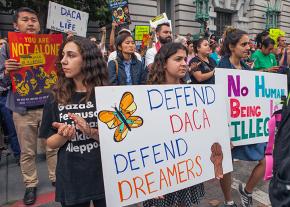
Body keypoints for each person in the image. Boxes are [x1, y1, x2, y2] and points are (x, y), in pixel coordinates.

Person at [39, 36, 107, 207]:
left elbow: (116, 139)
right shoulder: (55, 96)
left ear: (87, 60)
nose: (63, 61)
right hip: (71, 180)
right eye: (63, 55)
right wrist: (63, 135)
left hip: (105, 177)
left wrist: (90, 131)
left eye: (71, 55)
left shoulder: (105, 93)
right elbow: (49, 143)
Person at [4, 7, 57, 205]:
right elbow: (1, 85)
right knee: (27, 151)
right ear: (16, 25)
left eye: (34, 19)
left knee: (51, 146)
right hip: (22, 109)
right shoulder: (7, 49)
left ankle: (55, 178)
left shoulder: (49, 46)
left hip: (48, 106)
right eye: (25, 20)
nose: (31, 23)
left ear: (39, 24)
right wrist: (6, 72)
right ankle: (31, 184)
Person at [143, 42, 205, 207]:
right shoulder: (148, 95)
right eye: (178, 59)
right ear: (163, 63)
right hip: (161, 169)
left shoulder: (191, 92)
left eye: (185, 59)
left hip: (186, 167)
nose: (184, 63)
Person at [218, 28, 265, 207]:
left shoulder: (247, 69)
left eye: (249, 44)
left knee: (264, 159)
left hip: (246, 125)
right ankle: (229, 201)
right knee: (226, 164)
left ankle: (247, 191)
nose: (249, 47)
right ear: (231, 46)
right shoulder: (221, 68)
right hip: (227, 126)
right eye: (244, 44)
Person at [0, 37, 21, 163]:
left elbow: (5, 79)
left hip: (4, 95)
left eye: (3, 44)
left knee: (12, 127)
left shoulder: (6, 60)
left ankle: (18, 155)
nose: (2, 46)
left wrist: (7, 72)